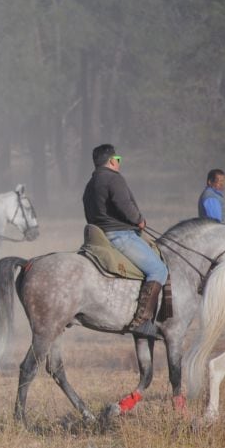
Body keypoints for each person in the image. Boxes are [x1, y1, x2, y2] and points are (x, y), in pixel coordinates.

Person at [82, 144, 167, 337]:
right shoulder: (113, 178)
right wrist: (139, 220)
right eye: (118, 159)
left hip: (99, 236)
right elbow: (124, 204)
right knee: (158, 269)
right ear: (112, 160)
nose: (119, 162)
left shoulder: (91, 183)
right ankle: (142, 321)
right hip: (120, 235)